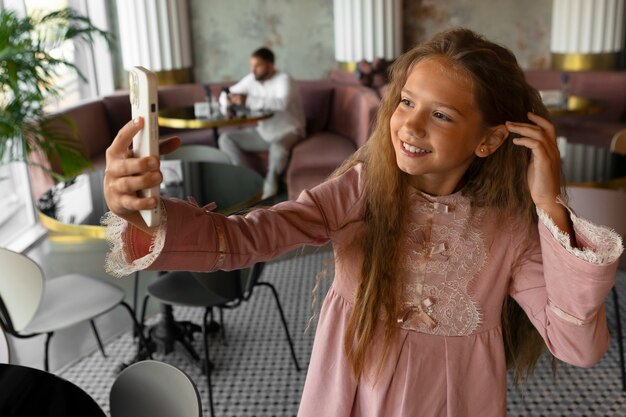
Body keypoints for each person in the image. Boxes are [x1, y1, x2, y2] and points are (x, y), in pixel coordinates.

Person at [102, 29, 623, 416]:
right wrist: (142, 213)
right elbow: (245, 237)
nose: (411, 125)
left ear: (487, 140)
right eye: (406, 103)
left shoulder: (511, 231)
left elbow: (578, 345)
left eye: (441, 115)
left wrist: (550, 205)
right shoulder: (359, 191)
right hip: (349, 389)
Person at [217, 47, 305, 199]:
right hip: (264, 133)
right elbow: (224, 94)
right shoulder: (252, 79)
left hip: (290, 130)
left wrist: (247, 100)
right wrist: (228, 99)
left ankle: (270, 187)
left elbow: (281, 104)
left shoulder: (284, 79)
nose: (253, 70)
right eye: (252, 65)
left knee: (277, 148)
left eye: (258, 66)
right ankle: (247, 178)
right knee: (225, 139)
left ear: (270, 65)